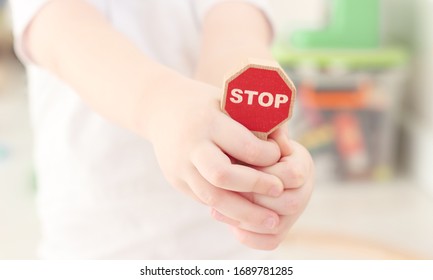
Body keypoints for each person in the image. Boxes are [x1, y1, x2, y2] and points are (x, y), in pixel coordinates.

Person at [9, 0, 314, 259]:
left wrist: (269, 152)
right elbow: (67, 36)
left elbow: (236, 38)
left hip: (227, 249)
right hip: (94, 249)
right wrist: (161, 104)